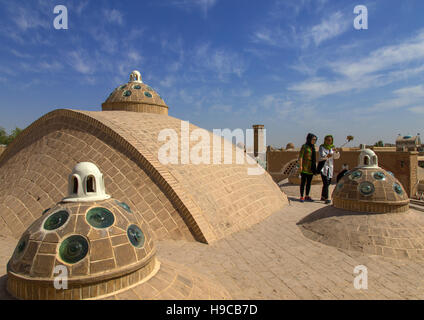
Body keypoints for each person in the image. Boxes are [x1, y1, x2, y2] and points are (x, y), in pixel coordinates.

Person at [318, 135, 340, 204]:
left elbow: (336, 157)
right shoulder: (322, 147)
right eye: (327, 140)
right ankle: (327, 198)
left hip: (330, 167)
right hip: (323, 167)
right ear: (325, 140)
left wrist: (336, 152)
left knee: (328, 183)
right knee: (325, 182)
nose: (328, 141)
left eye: (330, 140)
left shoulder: (332, 148)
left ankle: (323, 196)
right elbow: (322, 156)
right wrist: (327, 156)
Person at [298, 133, 317, 202]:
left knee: (309, 183)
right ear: (309, 139)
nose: (314, 141)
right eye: (313, 139)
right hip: (304, 167)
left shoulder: (313, 147)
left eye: (315, 140)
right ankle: (301, 196)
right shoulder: (304, 146)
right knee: (303, 182)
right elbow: (300, 157)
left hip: (311, 168)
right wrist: (300, 166)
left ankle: (307, 196)